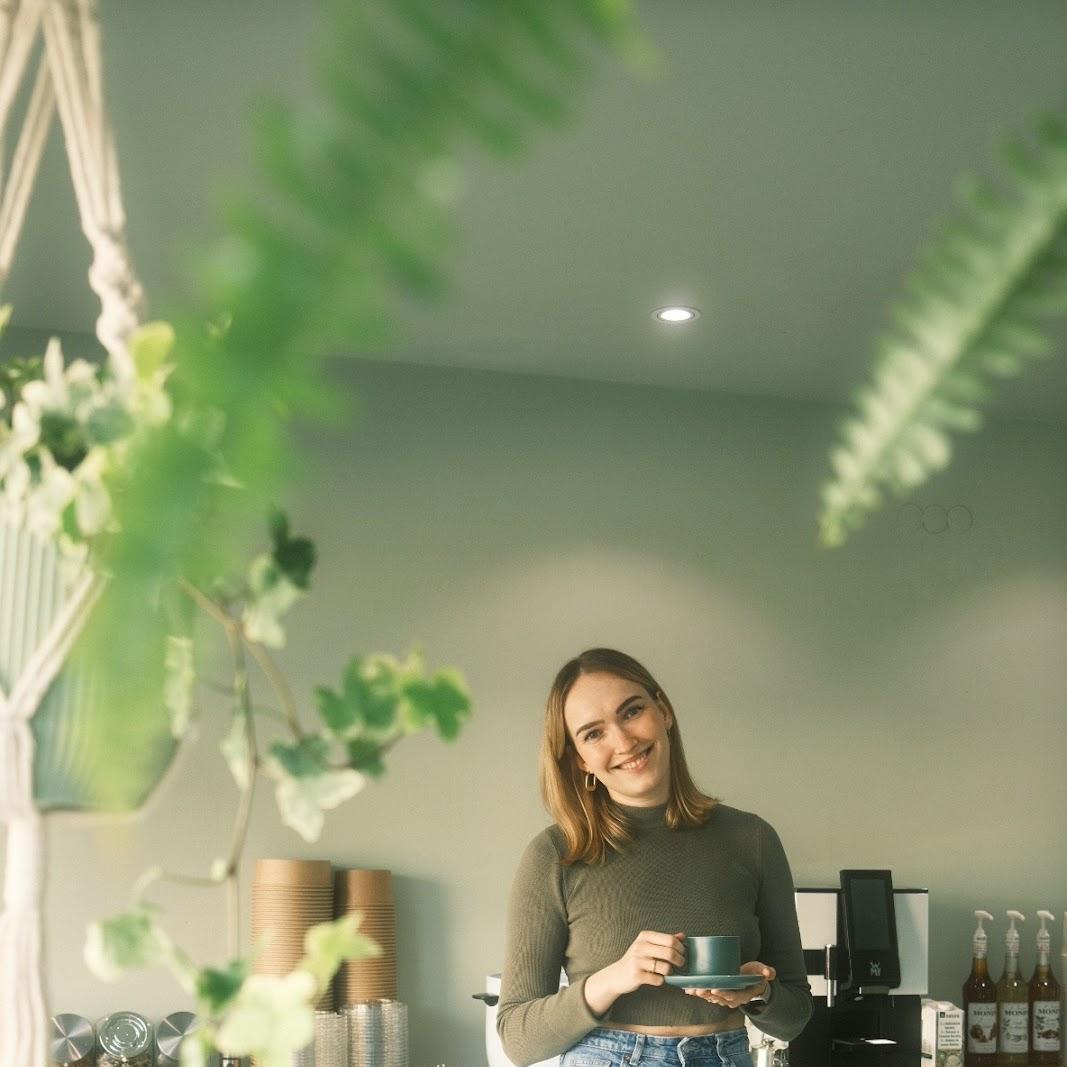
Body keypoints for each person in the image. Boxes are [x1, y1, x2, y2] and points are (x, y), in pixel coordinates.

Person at [497, 648, 812, 1067]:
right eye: (593, 734)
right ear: (580, 760)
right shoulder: (555, 855)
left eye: (631, 712)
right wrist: (612, 979)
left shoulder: (753, 839)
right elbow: (517, 1039)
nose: (624, 742)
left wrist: (759, 993)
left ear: (662, 710)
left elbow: (795, 1018)